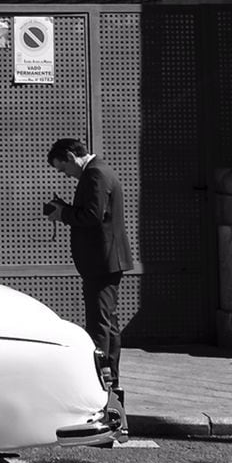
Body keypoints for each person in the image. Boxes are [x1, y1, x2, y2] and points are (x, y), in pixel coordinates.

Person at [43, 137, 134, 413]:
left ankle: (102, 387)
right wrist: (67, 209)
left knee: (99, 324)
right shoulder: (98, 172)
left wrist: (63, 214)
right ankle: (111, 384)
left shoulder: (95, 174)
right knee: (108, 323)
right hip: (104, 261)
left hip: (101, 261)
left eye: (63, 168)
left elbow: (93, 216)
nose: (65, 175)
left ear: (71, 157)